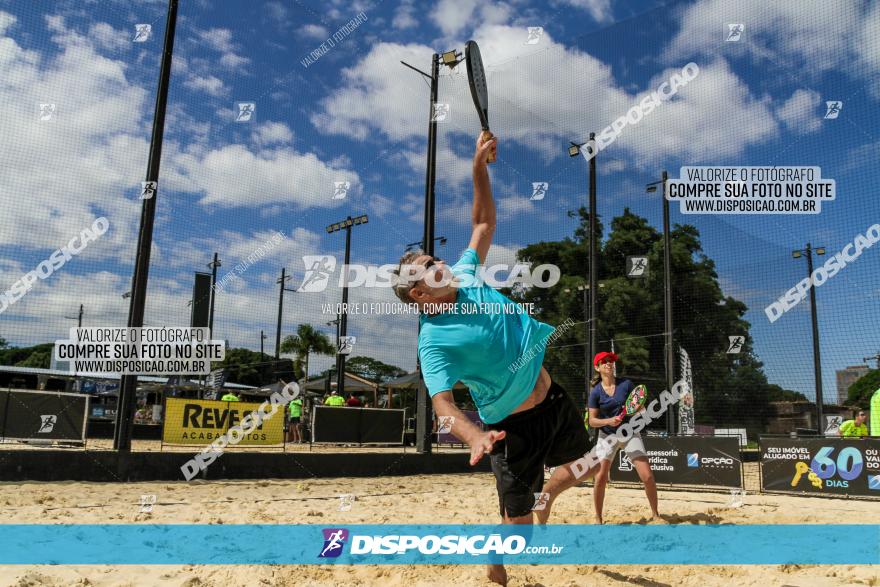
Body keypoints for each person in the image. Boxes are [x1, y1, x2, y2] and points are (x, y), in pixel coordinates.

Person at [391, 132, 596, 586]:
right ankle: (495, 561)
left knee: (590, 464)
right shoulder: (435, 342)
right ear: (420, 294)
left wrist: (478, 168)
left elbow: (483, 224)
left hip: (553, 400)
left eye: (432, 256)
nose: (436, 261)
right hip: (512, 430)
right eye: (427, 266)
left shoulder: (463, 274)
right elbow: (443, 404)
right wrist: (471, 436)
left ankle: (545, 500)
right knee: (516, 539)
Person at [587, 351, 659, 524]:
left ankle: (656, 515)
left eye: (611, 361)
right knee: (601, 477)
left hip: (629, 432)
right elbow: (592, 421)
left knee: (647, 476)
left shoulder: (626, 384)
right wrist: (609, 421)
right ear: (597, 367)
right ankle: (598, 518)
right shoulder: (595, 393)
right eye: (604, 362)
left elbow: (638, 406)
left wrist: (642, 411)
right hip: (607, 436)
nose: (609, 363)